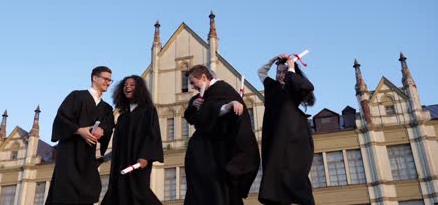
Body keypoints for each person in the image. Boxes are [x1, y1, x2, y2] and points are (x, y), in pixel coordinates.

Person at [183, 65, 260, 205]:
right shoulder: (203, 96)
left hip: (217, 151)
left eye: (194, 82)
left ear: (204, 77)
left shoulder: (221, 89)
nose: (192, 87)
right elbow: (193, 117)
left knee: (219, 189)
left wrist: (230, 105)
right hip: (205, 150)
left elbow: (220, 108)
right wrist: (194, 106)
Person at [46, 66, 115, 205]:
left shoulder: (107, 108)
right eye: (105, 79)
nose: (108, 82)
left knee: (88, 190)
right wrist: (78, 130)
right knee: (65, 190)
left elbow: (109, 126)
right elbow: (61, 119)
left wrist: (102, 130)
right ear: (95, 78)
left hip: (88, 155)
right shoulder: (76, 96)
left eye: (110, 80)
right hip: (69, 152)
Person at [257, 54, 316, 205]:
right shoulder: (272, 87)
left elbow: (308, 87)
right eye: (278, 72)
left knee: (294, 173)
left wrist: (291, 68)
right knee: (276, 176)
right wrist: (273, 59)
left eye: (283, 71)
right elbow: (261, 72)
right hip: (275, 137)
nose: (281, 74)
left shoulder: (294, 87)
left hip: (294, 135)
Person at [101, 75, 164, 205]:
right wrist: (106, 157)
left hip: (138, 160)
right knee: (118, 190)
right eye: (125, 85)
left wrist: (145, 156)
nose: (127, 87)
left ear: (139, 89)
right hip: (121, 162)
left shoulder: (148, 110)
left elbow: (152, 134)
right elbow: (119, 142)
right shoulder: (123, 116)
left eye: (132, 85)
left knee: (139, 191)